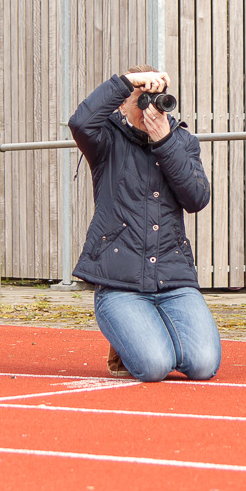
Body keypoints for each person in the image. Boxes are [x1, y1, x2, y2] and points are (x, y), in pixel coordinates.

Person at [68, 66, 222, 383]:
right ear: (123, 104)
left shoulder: (183, 141)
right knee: (154, 367)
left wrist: (164, 142)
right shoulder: (106, 139)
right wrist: (126, 84)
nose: (147, 107)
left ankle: (143, 330)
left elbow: (196, 198)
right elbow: (79, 122)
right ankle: (131, 334)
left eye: (154, 98)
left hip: (173, 281)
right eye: (140, 98)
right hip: (119, 284)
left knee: (204, 366)